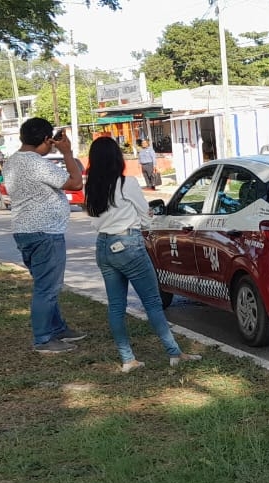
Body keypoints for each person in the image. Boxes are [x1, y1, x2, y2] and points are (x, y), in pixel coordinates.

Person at [85, 137, 200, 373]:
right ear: (117, 157)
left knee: (116, 306)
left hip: (103, 246)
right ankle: (174, 353)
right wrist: (144, 217)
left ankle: (128, 359)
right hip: (128, 243)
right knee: (152, 302)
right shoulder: (126, 183)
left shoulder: (92, 185)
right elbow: (146, 216)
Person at [3, 118, 86, 353]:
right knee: (47, 289)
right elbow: (76, 183)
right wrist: (67, 152)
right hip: (45, 233)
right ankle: (43, 339)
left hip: (24, 230)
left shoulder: (13, 161)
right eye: (50, 140)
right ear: (45, 139)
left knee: (46, 284)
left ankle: (58, 328)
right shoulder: (36, 163)